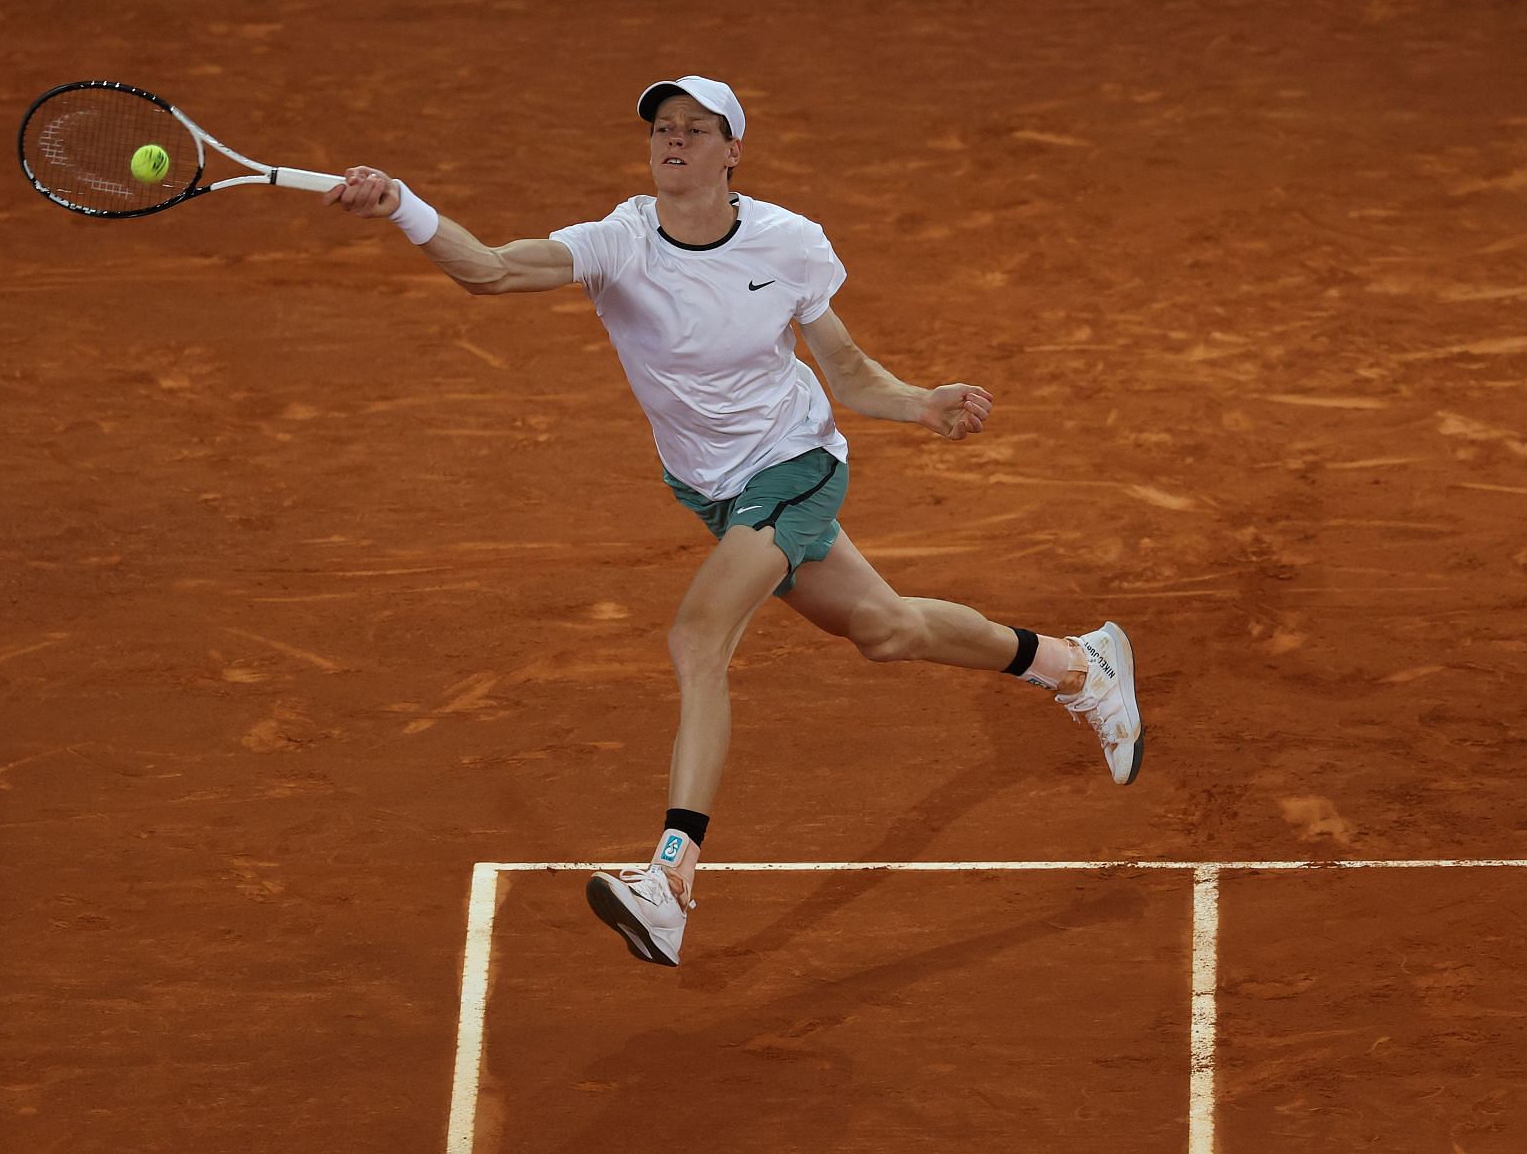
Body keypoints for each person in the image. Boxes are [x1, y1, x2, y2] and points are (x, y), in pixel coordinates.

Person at [325, 75, 1144, 968]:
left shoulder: (788, 243)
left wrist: (920, 404)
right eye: (660, 128)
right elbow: (488, 269)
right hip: (713, 491)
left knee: (697, 637)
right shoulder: (619, 242)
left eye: (694, 128)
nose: (671, 140)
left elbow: (848, 368)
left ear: (731, 152)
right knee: (886, 628)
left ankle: (670, 883)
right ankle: (1078, 666)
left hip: (794, 468)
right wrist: (402, 203)